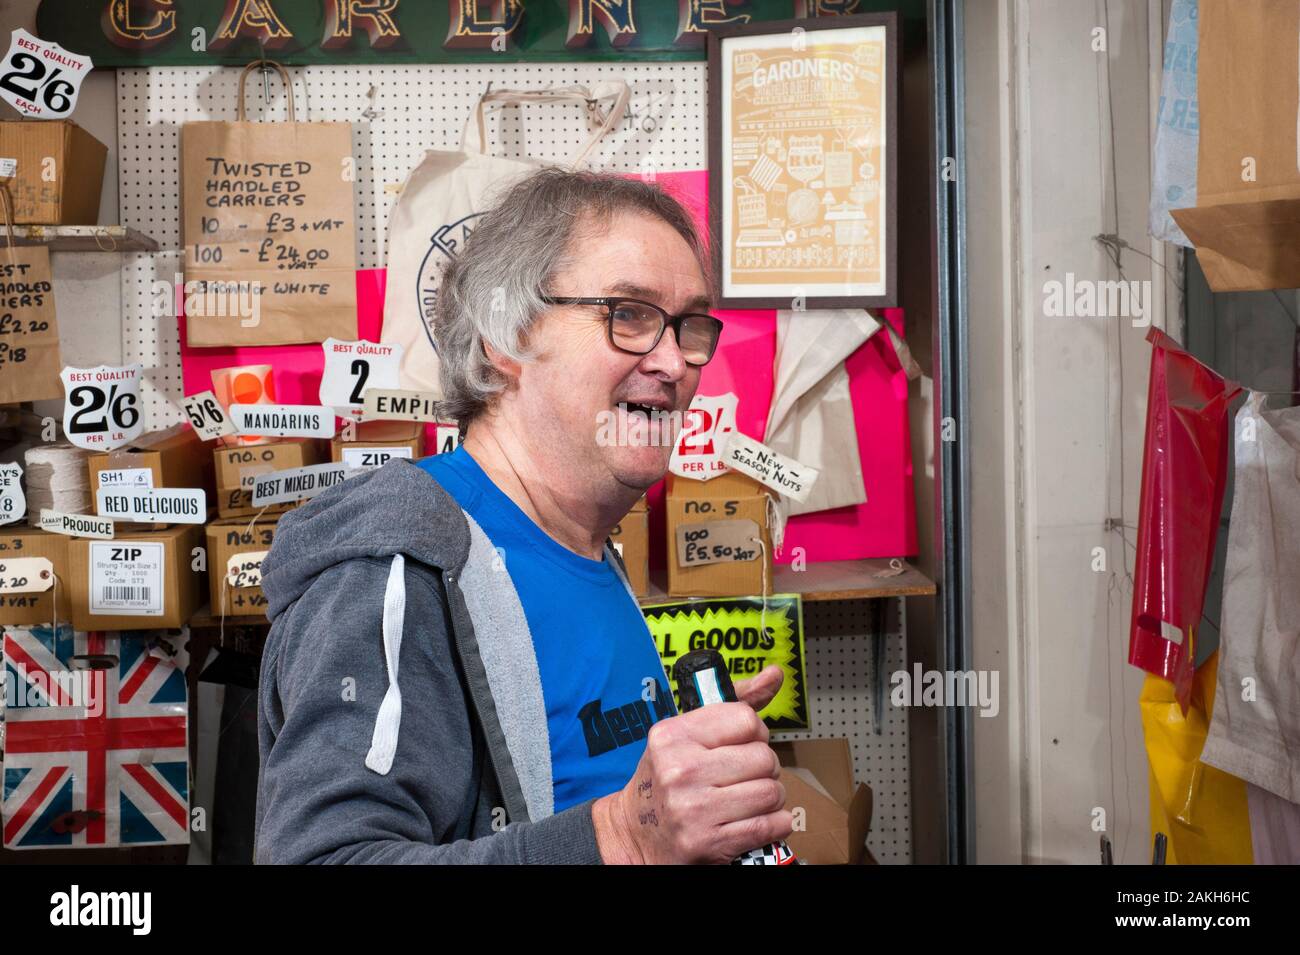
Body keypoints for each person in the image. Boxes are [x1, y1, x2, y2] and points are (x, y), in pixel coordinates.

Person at [254, 168, 793, 864]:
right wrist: (628, 834)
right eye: (627, 314)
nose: (674, 362)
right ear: (501, 338)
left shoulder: (585, 544)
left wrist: (683, 778)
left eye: (690, 325)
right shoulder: (400, 567)